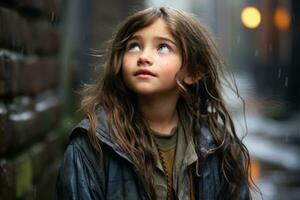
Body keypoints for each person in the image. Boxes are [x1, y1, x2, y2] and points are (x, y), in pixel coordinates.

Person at [56, 6, 254, 200]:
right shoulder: (92, 145)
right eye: (134, 46)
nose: (143, 57)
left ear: (193, 72)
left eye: (163, 47)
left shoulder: (216, 146)